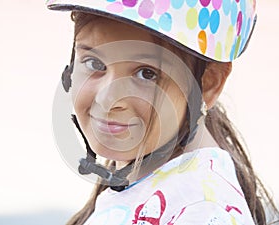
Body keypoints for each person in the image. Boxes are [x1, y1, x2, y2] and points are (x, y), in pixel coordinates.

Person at [47, 0, 279, 224]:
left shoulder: (202, 211)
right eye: (95, 64)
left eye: (147, 74)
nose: (107, 100)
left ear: (208, 83)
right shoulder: (144, 181)